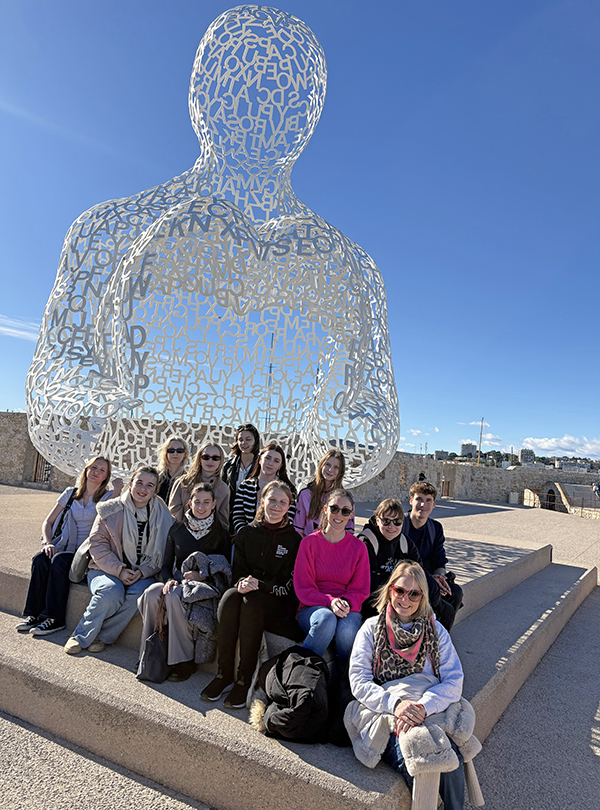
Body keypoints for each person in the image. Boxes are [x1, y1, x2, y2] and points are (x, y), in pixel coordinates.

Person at [347, 561, 465, 810]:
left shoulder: (436, 631)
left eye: (414, 593)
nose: (405, 598)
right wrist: (397, 706)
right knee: (416, 757)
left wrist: (422, 707)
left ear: (422, 597)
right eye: (400, 590)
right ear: (390, 590)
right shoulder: (371, 629)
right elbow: (359, 680)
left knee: (451, 756)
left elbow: (454, 679)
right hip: (388, 710)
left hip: (427, 707)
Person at [201, 481, 301, 709]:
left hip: (276, 603)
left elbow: (288, 584)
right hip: (249, 594)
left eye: (282, 502)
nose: (276, 506)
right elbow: (238, 573)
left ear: (289, 507)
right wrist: (243, 583)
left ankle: (244, 678)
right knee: (229, 598)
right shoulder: (247, 533)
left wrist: (261, 585)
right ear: (262, 501)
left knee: (251, 601)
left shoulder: (294, 540)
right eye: (272, 500)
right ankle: (223, 673)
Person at [64, 466, 173, 655]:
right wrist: (119, 570)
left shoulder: (163, 515)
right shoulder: (110, 509)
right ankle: (80, 636)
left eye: (149, 485)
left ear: (155, 490)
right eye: (139, 483)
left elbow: (163, 552)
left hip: (143, 572)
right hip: (105, 568)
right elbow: (97, 544)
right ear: (130, 484)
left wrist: (142, 572)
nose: (143, 489)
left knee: (141, 595)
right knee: (110, 592)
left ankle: (104, 637)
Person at [16, 457, 121, 636]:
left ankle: (54, 618)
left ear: (106, 477)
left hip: (89, 553)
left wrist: (118, 488)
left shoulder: (107, 497)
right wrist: (48, 543)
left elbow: (116, 517)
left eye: (102, 470)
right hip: (65, 545)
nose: (96, 472)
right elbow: (48, 522)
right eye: (93, 467)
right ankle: (33, 614)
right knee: (40, 559)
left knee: (59, 561)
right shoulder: (70, 494)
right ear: (86, 470)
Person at [137, 483, 231, 681]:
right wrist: (169, 580)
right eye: (197, 502)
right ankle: (149, 653)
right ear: (190, 503)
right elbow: (166, 565)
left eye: (206, 502)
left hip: (203, 588)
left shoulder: (220, 533)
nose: (201, 506)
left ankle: (184, 661)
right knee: (152, 593)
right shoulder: (177, 529)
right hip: (177, 582)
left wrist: (202, 575)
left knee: (172, 598)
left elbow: (224, 570)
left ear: (214, 504)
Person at [293, 489, 370, 671]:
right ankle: (301, 674)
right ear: (325, 509)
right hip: (313, 606)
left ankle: (344, 679)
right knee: (326, 619)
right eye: (334, 509)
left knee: (347, 631)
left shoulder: (358, 548)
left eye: (345, 511)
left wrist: (342, 603)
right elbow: (304, 587)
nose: (338, 515)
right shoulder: (309, 543)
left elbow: (360, 589)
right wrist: (330, 601)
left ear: (351, 515)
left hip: (347, 607)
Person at [359, 498, 444, 620]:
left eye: (397, 521)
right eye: (386, 521)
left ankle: (435, 635)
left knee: (446, 606)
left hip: (402, 595)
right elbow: (369, 581)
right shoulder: (366, 541)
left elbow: (419, 571)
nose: (391, 526)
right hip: (376, 600)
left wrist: (434, 589)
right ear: (377, 520)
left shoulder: (405, 542)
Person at [401, 482, 463, 631]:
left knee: (455, 593)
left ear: (434, 504)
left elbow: (439, 556)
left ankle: (440, 635)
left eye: (428, 500)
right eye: (419, 499)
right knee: (437, 598)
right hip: (407, 577)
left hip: (430, 577)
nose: (423, 504)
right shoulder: (401, 524)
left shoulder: (435, 528)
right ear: (411, 501)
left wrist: (440, 576)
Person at [231, 442, 296, 535]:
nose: (270, 463)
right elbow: (238, 515)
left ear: (280, 465)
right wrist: (244, 534)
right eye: (267, 458)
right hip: (246, 539)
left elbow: (289, 518)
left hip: (274, 539)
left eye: (276, 461)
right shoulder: (245, 486)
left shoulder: (287, 489)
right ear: (260, 459)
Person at [294, 449, 354, 537]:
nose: (330, 470)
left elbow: (349, 532)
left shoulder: (346, 499)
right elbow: (298, 529)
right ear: (321, 465)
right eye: (327, 464)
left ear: (340, 472)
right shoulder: (305, 494)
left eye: (336, 467)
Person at [169, 441, 229, 529]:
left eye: (215, 458)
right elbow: (173, 513)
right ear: (199, 459)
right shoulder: (182, 482)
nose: (210, 461)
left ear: (221, 461)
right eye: (206, 457)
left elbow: (223, 521)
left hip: (210, 538)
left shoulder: (223, 489)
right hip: (182, 535)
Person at [221, 424, 260, 532]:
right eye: (240, 439)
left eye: (248, 439)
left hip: (250, 520)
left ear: (255, 441)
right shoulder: (228, 466)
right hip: (228, 518)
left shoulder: (262, 467)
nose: (244, 443)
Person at [156, 436, 189, 504]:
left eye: (180, 451)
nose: (175, 453)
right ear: (166, 453)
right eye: (171, 450)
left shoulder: (188, 479)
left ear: (185, 454)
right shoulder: (156, 475)